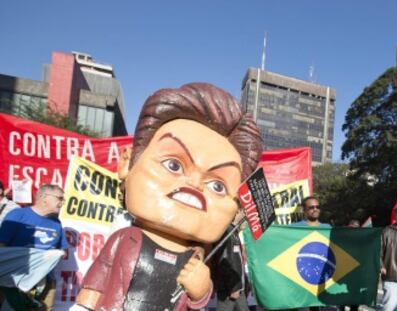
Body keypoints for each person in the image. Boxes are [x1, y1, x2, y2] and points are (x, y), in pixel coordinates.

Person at [76, 83, 263, 311]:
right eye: (173, 165)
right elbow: (97, 280)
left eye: (217, 186)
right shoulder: (125, 238)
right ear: (127, 162)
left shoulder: (196, 257)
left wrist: (201, 291)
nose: (194, 186)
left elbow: (195, 303)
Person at [0, 184, 68, 310]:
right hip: (13, 284)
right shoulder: (17, 215)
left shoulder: (56, 223)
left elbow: (63, 250)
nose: (62, 203)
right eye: (60, 198)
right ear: (45, 198)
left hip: (45, 284)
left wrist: (59, 254)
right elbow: (2, 246)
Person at [212, 210, 249, 311]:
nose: (246, 216)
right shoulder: (227, 232)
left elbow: (236, 261)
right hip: (229, 290)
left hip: (237, 288)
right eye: (244, 212)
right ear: (237, 212)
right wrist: (233, 287)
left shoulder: (234, 232)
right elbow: (224, 260)